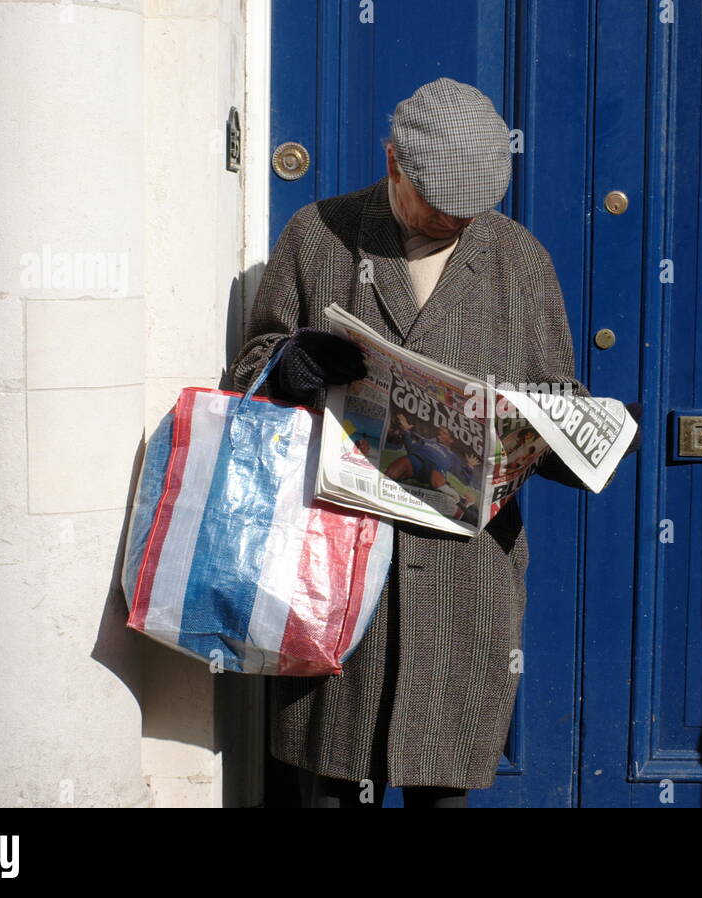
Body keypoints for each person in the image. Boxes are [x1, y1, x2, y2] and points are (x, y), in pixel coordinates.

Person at [231, 77, 640, 808]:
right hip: (338, 558)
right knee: (326, 781)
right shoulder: (318, 235)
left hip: (464, 572)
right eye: (440, 204)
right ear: (393, 163)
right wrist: (288, 364)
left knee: (442, 787)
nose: (456, 219)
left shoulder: (519, 259)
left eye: (473, 207)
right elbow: (249, 369)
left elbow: (553, 395)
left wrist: (588, 433)